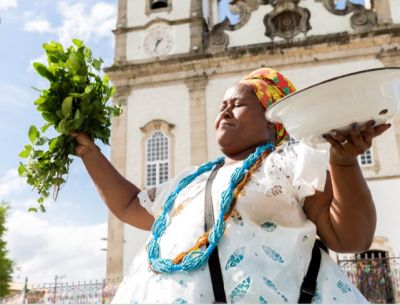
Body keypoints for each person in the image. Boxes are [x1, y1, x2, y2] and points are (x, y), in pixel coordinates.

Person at [71, 68, 391, 304]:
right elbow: (130, 204)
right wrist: (89, 152)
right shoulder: (190, 180)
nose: (224, 111)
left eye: (236, 104)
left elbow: (351, 237)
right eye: (222, 104)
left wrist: (344, 162)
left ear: (272, 120)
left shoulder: (293, 161)